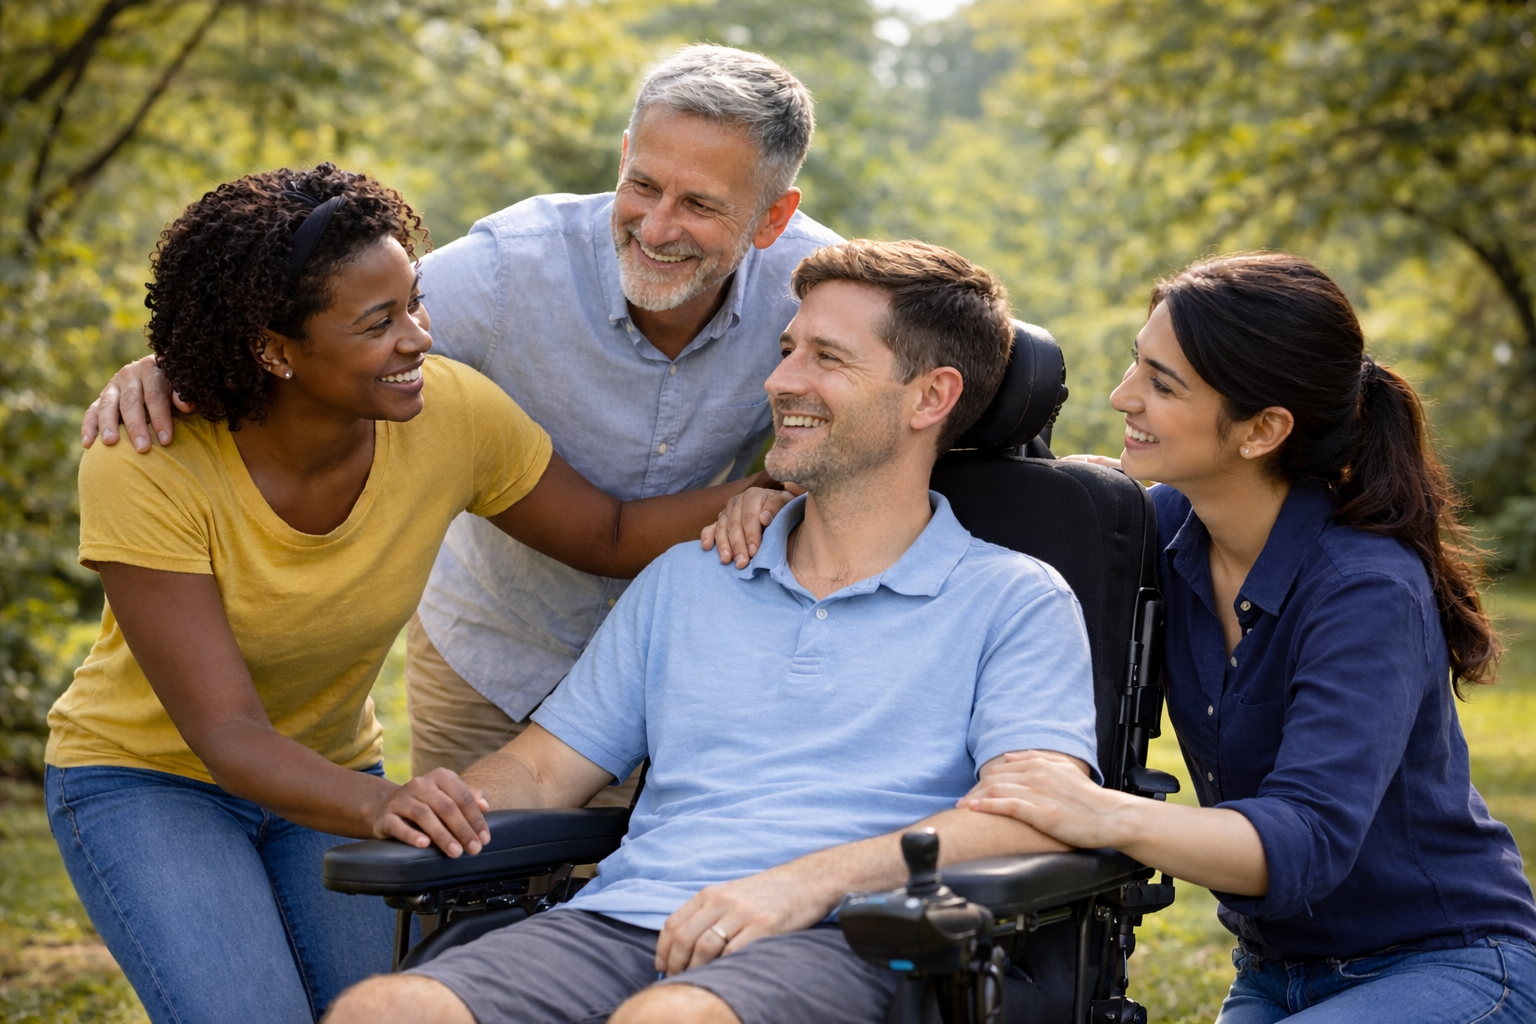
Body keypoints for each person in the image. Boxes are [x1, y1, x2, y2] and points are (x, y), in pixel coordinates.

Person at [47, 164, 786, 1024]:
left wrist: (779, 485)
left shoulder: (449, 415)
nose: (420, 338)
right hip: (147, 782)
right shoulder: (148, 461)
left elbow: (608, 534)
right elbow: (227, 734)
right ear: (274, 350)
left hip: (326, 774)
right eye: (380, 322)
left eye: (414, 304)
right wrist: (384, 804)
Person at [324, 238, 1101, 1024]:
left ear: (930, 398)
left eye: (827, 359)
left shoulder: (1014, 600)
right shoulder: (689, 579)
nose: (780, 380)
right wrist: (431, 806)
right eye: (787, 349)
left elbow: (1038, 811)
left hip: (857, 939)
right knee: (386, 1008)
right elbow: (541, 773)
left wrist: (804, 883)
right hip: (626, 923)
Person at [78, 45, 842, 788]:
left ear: (773, 216)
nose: (657, 226)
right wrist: (169, 366)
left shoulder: (823, 294)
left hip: (684, 661)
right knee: (461, 901)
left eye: (701, 204)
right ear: (621, 157)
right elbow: (315, 328)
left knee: (633, 904)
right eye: (642, 185)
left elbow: (930, 386)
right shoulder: (507, 273)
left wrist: (777, 495)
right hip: (492, 656)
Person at [951, 254, 1536, 1022]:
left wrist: (1098, 812)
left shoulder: (1366, 587)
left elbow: (1307, 840)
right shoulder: (1160, 532)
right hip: (1273, 973)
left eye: (1163, 385)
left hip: (1451, 962)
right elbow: (1032, 523)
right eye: (1137, 364)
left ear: (1262, 430)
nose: (1123, 396)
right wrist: (782, 496)